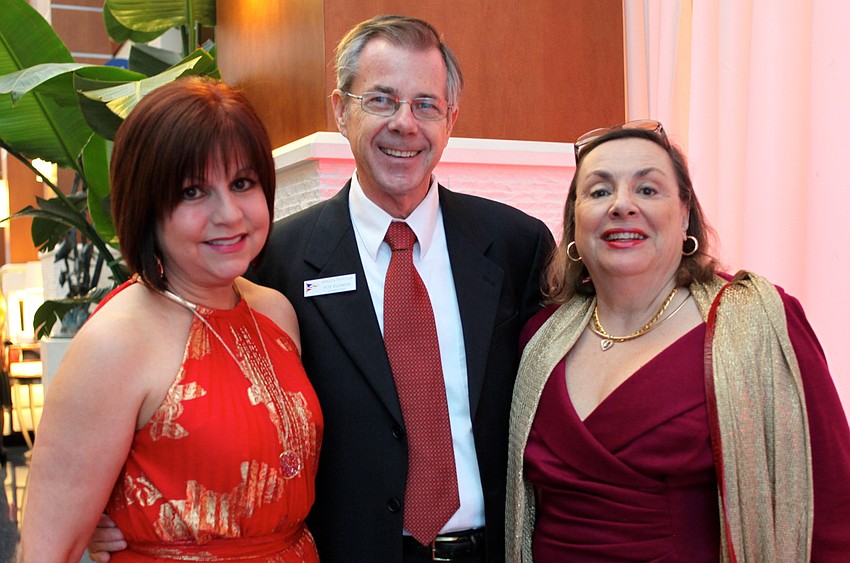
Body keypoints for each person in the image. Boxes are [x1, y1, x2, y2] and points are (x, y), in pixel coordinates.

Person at [89, 14, 554, 563]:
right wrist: (116, 500)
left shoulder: (516, 245)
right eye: (380, 100)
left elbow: (556, 398)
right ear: (340, 109)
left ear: (450, 118)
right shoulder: (273, 262)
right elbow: (209, 398)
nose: (404, 123)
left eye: (426, 104)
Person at [505, 120, 850, 561]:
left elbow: (833, 506)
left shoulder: (757, 322)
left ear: (685, 213)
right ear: (575, 222)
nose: (622, 205)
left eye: (647, 189)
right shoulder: (539, 341)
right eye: (599, 191)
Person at [19, 76, 323, 562]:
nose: (229, 214)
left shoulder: (274, 312)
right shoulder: (117, 340)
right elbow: (46, 550)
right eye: (192, 192)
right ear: (147, 207)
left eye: (242, 184)